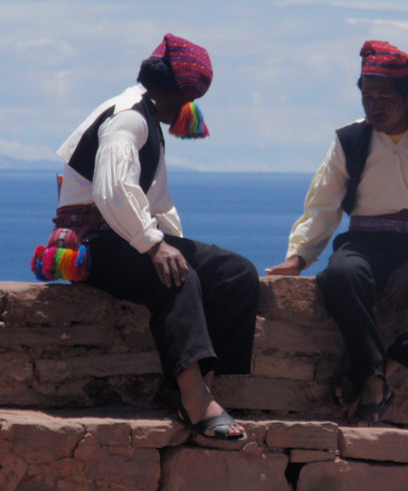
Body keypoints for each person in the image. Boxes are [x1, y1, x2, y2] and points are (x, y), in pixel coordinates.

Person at [36, 34, 259, 440]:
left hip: (127, 236)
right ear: (174, 92)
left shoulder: (148, 119)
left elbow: (155, 203)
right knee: (176, 275)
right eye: (187, 98)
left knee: (236, 274)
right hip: (94, 243)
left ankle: (196, 384)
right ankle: (194, 398)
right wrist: (154, 245)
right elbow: (112, 189)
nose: (187, 109)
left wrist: (166, 241)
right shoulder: (128, 118)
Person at [267, 40, 408, 427]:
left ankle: (383, 372)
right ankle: (373, 380)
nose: (374, 107)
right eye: (368, 97)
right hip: (365, 243)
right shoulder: (350, 140)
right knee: (341, 275)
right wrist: (298, 258)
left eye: (385, 98)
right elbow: (323, 205)